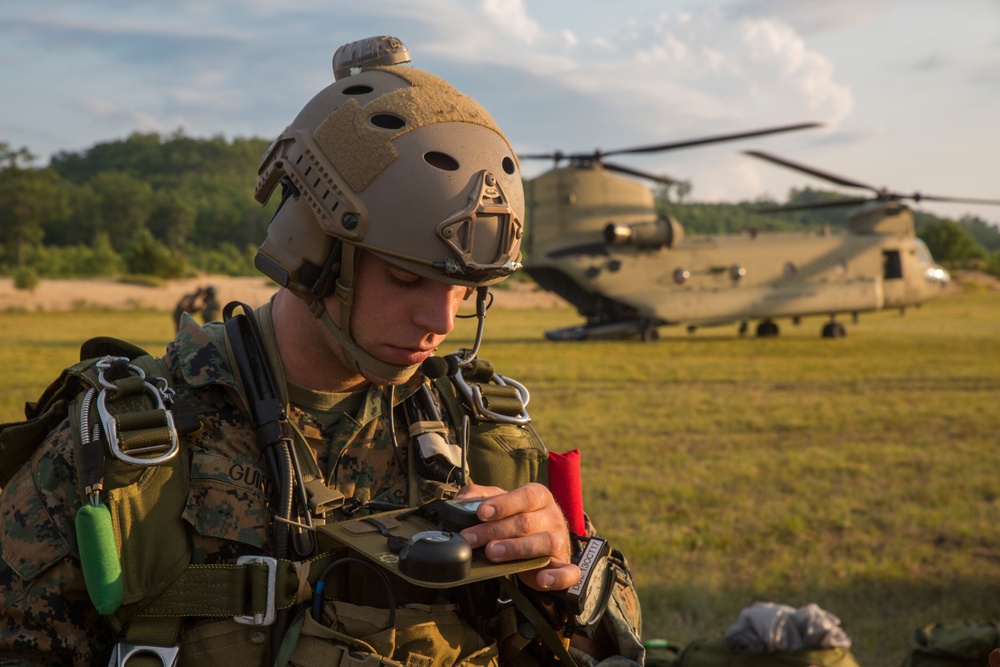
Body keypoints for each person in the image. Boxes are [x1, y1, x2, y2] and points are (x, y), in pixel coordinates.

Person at [0, 36, 643, 667]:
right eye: (407, 277)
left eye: (464, 288)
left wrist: (567, 579)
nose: (439, 321)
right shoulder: (131, 447)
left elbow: (603, 649)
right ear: (313, 250)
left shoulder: (480, 428)